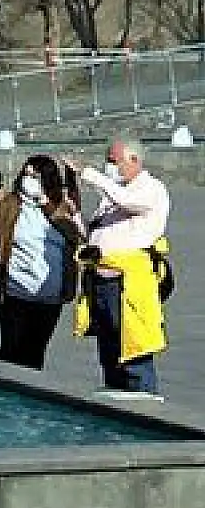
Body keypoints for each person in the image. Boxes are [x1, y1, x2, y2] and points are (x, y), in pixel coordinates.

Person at [66, 140, 172, 397]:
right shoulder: (113, 194)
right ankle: (115, 397)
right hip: (101, 281)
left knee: (133, 349)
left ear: (135, 160)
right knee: (109, 349)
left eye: (114, 161)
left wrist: (88, 173)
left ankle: (144, 401)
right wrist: (74, 214)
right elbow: (96, 232)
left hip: (127, 284)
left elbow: (127, 201)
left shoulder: (151, 189)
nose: (110, 166)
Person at [0, 155, 84, 371]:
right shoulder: (11, 203)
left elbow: (75, 235)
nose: (28, 180)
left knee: (34, 351)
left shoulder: (61, 204)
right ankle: (1, 386)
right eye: (26, 174)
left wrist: (46, 204)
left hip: (49, 295)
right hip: (13, 291)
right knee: (11, 349)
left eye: (35, 176)